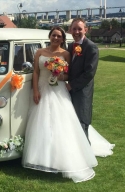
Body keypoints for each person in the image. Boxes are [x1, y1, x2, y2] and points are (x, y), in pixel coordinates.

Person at [22, 26, 114, 183]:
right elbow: (36, 72)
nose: (56, 38)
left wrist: (59, 74)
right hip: (43, 90)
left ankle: (61, 158)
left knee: (60, 124)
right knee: (41, 124)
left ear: (63, 39)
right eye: (53, 35)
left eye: (59, 36)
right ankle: (41, 158)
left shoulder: (66, 54)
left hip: (58, 90)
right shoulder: (39, 52)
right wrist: (35, 90)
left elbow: (68, 74)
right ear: (49, 36)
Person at [66, 18, 97, 143]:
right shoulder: (70, 46)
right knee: (70, 120)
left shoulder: (91, 47)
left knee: (81, 120)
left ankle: (86, 154)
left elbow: (89, 73)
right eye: (74, 29)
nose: (77, 31)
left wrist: (72, 85)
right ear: (70, 30)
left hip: (82, 91)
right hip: (68, 90)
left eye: (79, 29)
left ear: (86, 30)